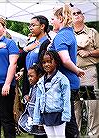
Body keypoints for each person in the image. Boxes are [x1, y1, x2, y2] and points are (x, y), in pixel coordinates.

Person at [49, 5, 85, 138]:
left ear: (61, 18)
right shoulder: (69, 33)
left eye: (53, 19)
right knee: (69, 119)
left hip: (65, 83)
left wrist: (77, 70)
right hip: (69, 83)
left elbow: (65, 59)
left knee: (67, 121)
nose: (51, 21)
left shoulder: (62, 36)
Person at [71, 7, 99, 137]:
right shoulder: (67, 33)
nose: (76, 15)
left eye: (78, 13)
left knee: (90, 107)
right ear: (69, 18)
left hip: (87, 73)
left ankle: (93, 135)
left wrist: (89, 52)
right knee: (74, 108)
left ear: (83, 16)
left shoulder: (92, 32)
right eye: (73, 13)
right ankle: (75, 134)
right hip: (72, 75)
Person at [33, 50, 71, 138]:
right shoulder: (41, 81)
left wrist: (66, 115)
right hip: (46, 115)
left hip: (58, 114)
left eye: (49, 61)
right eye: (44, 62)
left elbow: (66, 98)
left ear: (56, 62)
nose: (46, 64)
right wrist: (36, 117)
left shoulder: (62, 79)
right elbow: (38, 100)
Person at [16, 15, 51, 98]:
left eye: (33, 25)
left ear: (42, 26)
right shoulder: (30, 44)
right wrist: (25, 49)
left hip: (40, 85)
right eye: (29, 25)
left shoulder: (47, 44)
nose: (30, 28)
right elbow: (19, 63)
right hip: (27, 84)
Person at [19, 64, 47, 138]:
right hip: (34, 120)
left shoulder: (42, 88)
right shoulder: (33, 87)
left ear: (39, 76)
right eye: (28, 76)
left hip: (41, 121)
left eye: (31, 76)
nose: (29, 78)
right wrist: (26, 98)